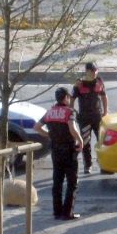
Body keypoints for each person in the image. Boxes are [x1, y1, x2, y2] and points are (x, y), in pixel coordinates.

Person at [34, 87, 84, 220]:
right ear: (66, 97)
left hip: (55, 150)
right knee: (72, 182)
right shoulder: (69, 112)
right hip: (69, 150)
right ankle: (67, 213)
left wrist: (50, 135)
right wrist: (80, 140)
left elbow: (37, 127)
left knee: (57, 182)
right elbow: (72, 128)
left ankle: (57, 212)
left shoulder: (49, 112)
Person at [71, 62, 108, 174]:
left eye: (96, 71)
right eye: (92, 71)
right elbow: (72, 100)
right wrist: (72, 113)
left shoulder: (99, 82)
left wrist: (105, 111)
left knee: (101, 141)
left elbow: (104, 97)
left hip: (97, 117)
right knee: (85, 142)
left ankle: (103, 164)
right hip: (84, 118)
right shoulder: (79, 84)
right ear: (87, 71)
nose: (94, 73)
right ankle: (88, 165)